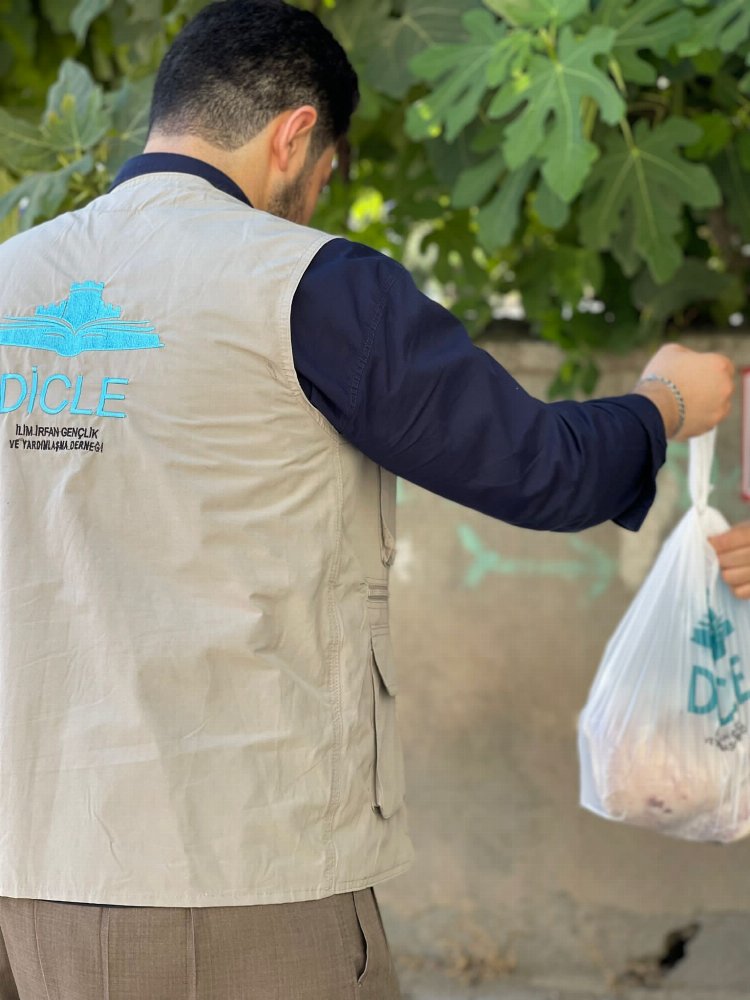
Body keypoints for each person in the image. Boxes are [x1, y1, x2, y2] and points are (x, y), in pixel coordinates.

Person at [0, 1, 735, 998]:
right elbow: (539, 467)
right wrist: (666, 403)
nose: (313, 199)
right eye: (326, 171)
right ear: (297, 133)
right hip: (234, 871)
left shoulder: (13, 279)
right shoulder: (310, 285)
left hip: (29, 867)